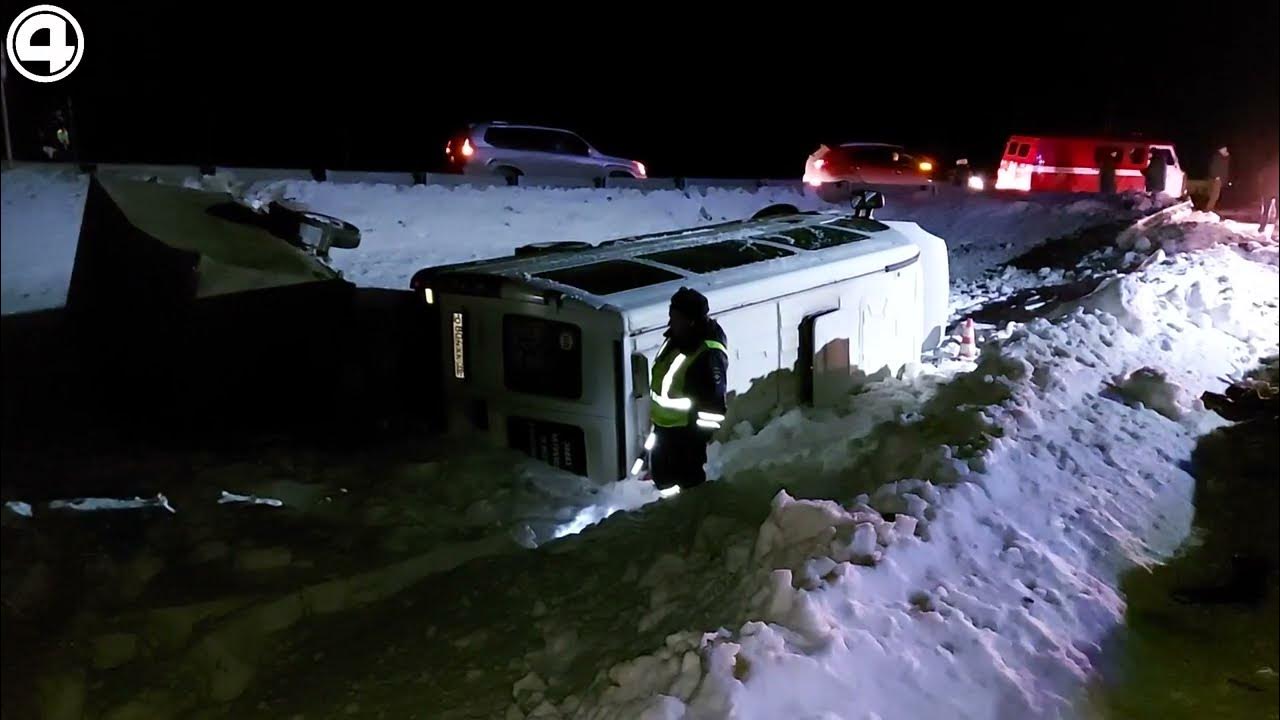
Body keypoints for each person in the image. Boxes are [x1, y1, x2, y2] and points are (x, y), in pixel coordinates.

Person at [647, 287, 728, 490]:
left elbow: (714, 405)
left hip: (685, 436)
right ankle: (667, 515)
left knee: (686, 485)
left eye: (676, 316)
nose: (671, 320)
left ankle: (684, 518)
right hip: (665, 430)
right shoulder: (676, 339)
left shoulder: (707, 353)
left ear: (691, 320)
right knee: (664, 482)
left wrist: (697, 439)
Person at [1206, 146, 1230, 211]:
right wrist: (1216, 176)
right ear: (1220, 149)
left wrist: (1227, 157)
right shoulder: (1217, 157)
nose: (1225, 150)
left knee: (1215, 195)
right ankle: (1209, 209)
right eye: (1224, 149)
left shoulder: (1223, 157)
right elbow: (1213, 167)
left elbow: (1225, 166)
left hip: (1219, 179)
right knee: (1215, 195)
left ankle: (1210, 208)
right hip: (1216, 179)